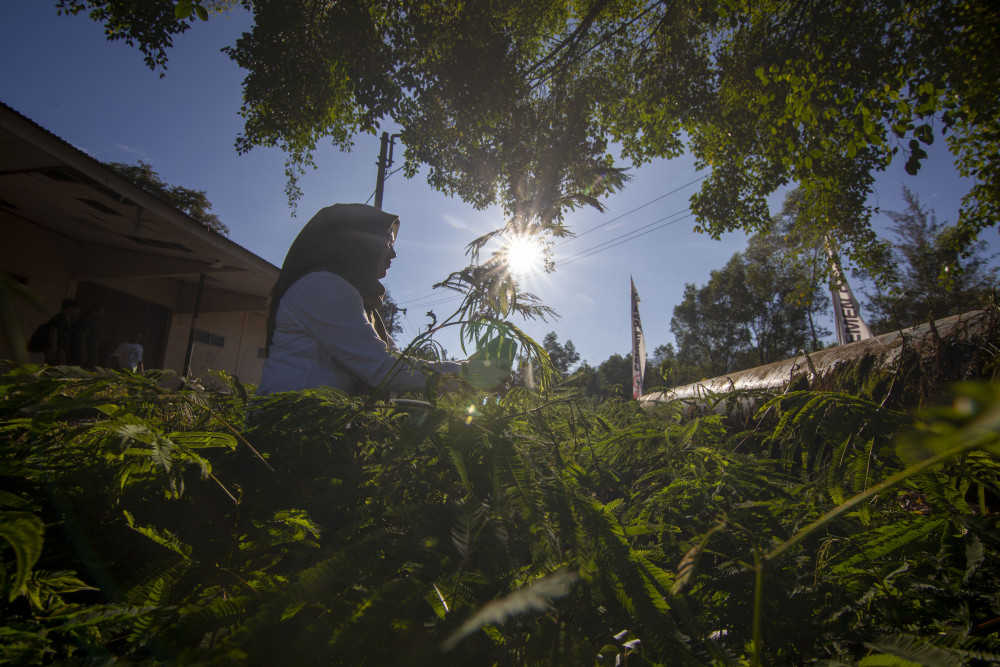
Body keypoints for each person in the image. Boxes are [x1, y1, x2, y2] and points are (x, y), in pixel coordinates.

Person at [258, 204, 465, 395]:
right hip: (288, 426)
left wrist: (471, 370)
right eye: (388, 242)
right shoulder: (323, 287)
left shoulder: (365, 307)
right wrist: (468, 373)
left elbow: (398, 364)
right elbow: (384, 370)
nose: (393, 254)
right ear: (360, 240)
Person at [31, 298, 80, 365]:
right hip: (57, 350)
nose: (77, 312)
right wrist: (54, 347)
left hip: (59, 350)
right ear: (69, 308)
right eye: (76, 309)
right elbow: (53, 331)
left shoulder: (65, 318)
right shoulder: (61, 317)